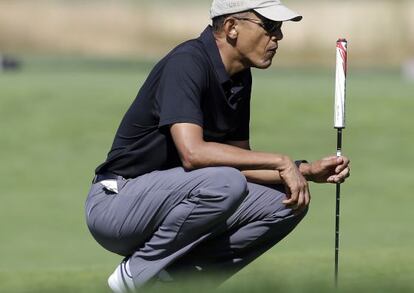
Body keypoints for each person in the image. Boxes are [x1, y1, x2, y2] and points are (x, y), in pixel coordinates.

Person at [85, 0, 351, 292]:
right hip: (117, 203)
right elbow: (193, 153)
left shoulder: (239, 77)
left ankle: (176, 282)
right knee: (225, 181)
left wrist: (306, 170)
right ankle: (134, 275)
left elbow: (243, 164)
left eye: (280, 29)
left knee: (288, 202)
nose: (278, 37)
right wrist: (280, 161)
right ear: (232, 27)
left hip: (172, 203)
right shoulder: (187, 62)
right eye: (270, 27)